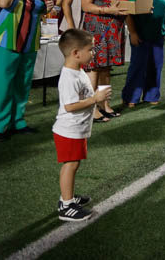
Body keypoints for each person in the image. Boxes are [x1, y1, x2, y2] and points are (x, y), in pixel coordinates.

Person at [53, 29, 111, 222]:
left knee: (74, 164)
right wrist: (95, 99)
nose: (93, 53)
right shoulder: (69, 76)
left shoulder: (78, 71)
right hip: (69, 129)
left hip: (77, 128)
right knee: (71, 164)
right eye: (90, 49)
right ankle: (66, 205)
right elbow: (69, 106)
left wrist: (95, 97)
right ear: (76, 53)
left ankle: (67, 197)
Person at [0, 0, 53, 141]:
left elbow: (40, 6)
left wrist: (47, 5)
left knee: (22, 84)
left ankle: (17, 121)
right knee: (2, 86)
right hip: (5, 41)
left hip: (29, 42)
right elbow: (3, 3)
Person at [80, 0, 130, 122]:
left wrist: (137, 6)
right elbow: (86, 5)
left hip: (115, 28)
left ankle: (104, 104)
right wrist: (109, 10)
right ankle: (92, 108)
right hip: (97, 28)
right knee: (94, 68)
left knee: (106, 67)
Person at [122, 0, 165, 107]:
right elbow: (129, 14)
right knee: (138, 67)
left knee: (156, 67)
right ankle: (131, 97)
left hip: (157, 36)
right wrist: (132, 33)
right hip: (140, 36)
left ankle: (151, 96)